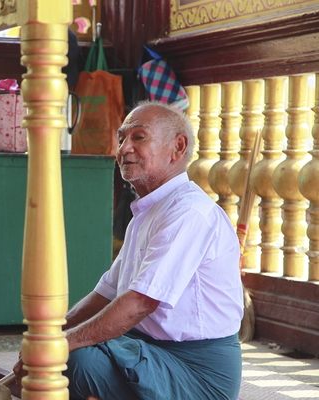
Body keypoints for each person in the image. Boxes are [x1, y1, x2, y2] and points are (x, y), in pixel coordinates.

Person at [14, 101, 244, 400]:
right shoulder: (148, 211)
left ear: (177, 147)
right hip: (149, 349)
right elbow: (106, 294)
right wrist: (49, 336)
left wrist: (61, 345)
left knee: (75, 361)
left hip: (196, 372)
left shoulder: (189, 212)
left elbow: (140, 303)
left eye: (139, 137)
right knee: (62, 356)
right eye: (121, 138)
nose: (123, 149)